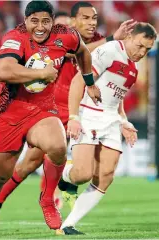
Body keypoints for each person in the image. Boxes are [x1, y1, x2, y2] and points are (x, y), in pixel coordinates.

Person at [0, 1, 136, 233]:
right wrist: (110, 40)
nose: (91, 22)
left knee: (91, 166)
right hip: (57, 109)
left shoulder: (93, 43)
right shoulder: (62, 39)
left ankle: (62, 192)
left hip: (84, 111)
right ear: (73, 22)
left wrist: (122, 117)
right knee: (29, 164)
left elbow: (110, 79)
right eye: (85, 18)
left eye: (94, 18)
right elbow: (80, 49)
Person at [0, 1, 99, 239]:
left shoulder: (66, 36)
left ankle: (47, 199)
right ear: (25, 21)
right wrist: (41, 73)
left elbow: (83, 52)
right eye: (34, 21)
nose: (40, 26)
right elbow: (3, 71)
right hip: (9, 113)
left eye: (45, 21)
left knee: (58, 146)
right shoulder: (15, 37)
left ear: (52, 21)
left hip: (42, 110)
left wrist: (89, 82)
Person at [57, 22, 157, 235]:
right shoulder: (110, 51)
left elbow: (116, 99)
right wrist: (74, 117)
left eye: (147, 49)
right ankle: (62, 177)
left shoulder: (133, 68)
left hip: (111, 121)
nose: (142, 52)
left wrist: (125, 123)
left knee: (106, 175)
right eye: (139, 46)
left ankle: (68, 225)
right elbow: (78, 81)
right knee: (82, 174)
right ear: (129, 37)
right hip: (89, 115)